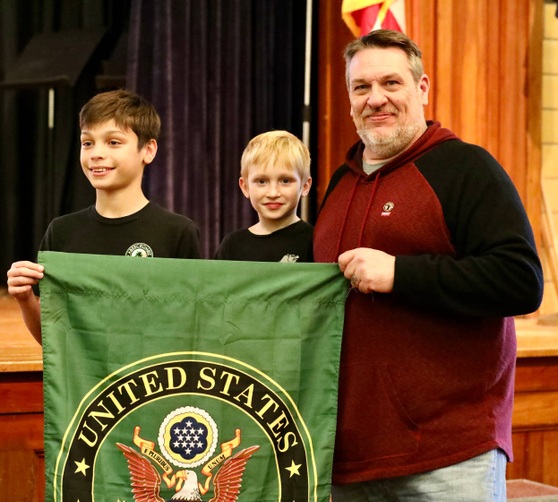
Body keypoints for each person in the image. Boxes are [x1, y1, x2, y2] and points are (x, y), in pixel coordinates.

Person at [313, 29, 543, 501]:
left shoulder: (467, 169)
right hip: (346, 455)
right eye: (361, 88)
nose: (376, 99)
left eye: (391, 83)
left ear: (421, 88)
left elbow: (521, 281)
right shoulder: (339, 185)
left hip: (450, 455)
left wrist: (400, 274)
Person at [6, 89, 202, 344]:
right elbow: (53, 338)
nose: (96, 153)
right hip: (83, 384)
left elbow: (190, 329)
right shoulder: (62, 231)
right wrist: (25, 298)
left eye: (113, 142)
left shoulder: (177, 231)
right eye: (88, 142)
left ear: (149, 150)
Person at [214, 130, 313, 262]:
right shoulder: (232, 246)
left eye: (285, 181)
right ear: (245, 187)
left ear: (305, 186)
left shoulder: (315, 242)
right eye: (262, 182)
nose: (273, 193)